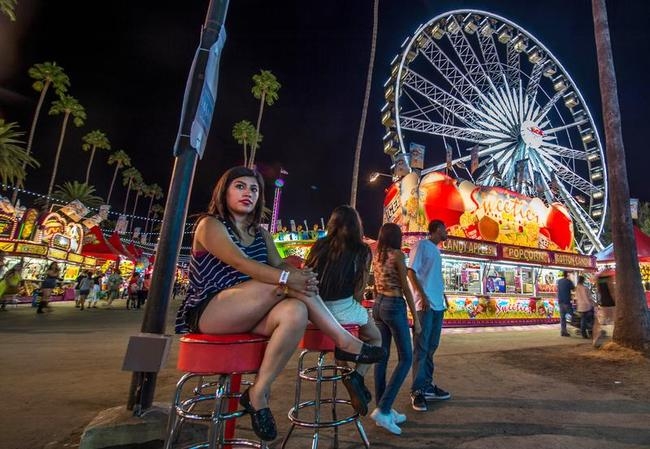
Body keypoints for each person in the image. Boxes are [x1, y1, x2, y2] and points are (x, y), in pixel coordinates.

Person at [174, 166, 386, 441]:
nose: (247, 193)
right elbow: (243, 264)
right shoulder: (210, 225)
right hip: (211, 310)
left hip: (253, 311)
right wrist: (289, 278)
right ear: (224, 190)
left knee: (295, 310)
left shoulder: (260, 234)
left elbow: (278, 263)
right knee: (284, 283)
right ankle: (345, 343)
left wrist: (301, 273)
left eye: (253, 189)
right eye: (240, 186)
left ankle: (258, 393)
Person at [304, 205, 382, 416]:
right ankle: (356, 377)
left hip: (313, 312)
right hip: (343, 307)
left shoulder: (319, 245)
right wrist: (356, 310)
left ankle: (347, 373)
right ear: (357, 225)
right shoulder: (362, 250)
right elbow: (359, 288)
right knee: (376, 339)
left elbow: (306, 276)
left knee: (341, 342)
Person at [369, 222, 421, 434]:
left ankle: (384, 410)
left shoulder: (377, 254)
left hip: (378, 306)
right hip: (393, 304)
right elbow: (406, 288)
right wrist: (416, 318)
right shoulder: (398, 255)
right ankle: (383, 409)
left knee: (381, 357)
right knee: (406, 358)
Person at [407, 219, 451, 412]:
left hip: (437, 305)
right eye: (445, 229)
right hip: (424, 306)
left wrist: (443, 297)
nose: (447, 232)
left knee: (431, 347)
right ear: (437, 229)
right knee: (421, 348)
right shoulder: (421, 245)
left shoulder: (436, 250)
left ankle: (427, 386)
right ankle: (417, 391)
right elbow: (411, 272)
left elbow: (433, 277)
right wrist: (422, 296)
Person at [557, 271, 575, 337]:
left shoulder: (559, 281)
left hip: (560, 301)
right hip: (566, 301)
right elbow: (573, 289)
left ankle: (563, 331)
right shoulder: (568, 281)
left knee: (562, 317)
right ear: (567, 275)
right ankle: (580, 328)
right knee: (573, 315)